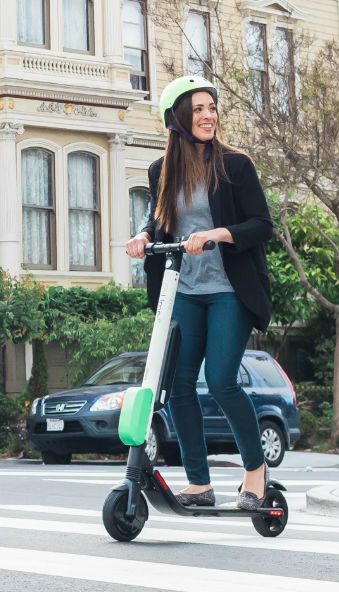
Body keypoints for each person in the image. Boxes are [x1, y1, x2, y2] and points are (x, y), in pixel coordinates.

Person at [126, 75, 274, 509]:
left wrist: (217, 234)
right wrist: (141, 235)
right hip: (186, 290)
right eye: (199, 109)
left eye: (212, 107)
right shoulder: (161, 171)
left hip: (229, 288)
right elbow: (161, 222)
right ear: (177, 118)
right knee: (181, 384)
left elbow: (260, 225)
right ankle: (199, 481)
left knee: (224, 381)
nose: (209, 115)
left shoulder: (236, 165)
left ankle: (255, 470)